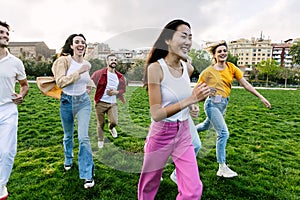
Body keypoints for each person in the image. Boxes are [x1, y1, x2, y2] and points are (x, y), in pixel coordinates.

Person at [138, 19, 210, 200]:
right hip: (162, 133)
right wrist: (190, 99)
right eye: (183, 36)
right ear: (168, 40)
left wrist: (193, 105)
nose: (188, 42)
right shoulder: (156, 68)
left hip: (184, 131)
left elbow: (181, 93)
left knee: (193, 191)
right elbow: (156, 113)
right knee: (149, 185)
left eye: (190, 37)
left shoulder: (188, 67)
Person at [195, 40, 271, 178]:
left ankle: (189, 131)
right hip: (211, 105)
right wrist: (199, 97)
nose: (223, 53)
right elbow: (196, 91)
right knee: (223, 133)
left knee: (206, 125)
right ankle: (222, 167)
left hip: (223, 104)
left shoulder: (231, 67)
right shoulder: (208, 72)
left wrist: (261, 97)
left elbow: (245, 84)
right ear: (214, 55)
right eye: (219, 51)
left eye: (225, 51)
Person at [52, 33, 95, 189]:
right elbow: (61, 82)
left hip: (83, 102)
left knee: (83, 137)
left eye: (83, 42)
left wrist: (90, 85)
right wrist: (80, 71)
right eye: (77, 42)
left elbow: (87, 79)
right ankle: (68, 159)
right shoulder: (63, 61)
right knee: (68, 135)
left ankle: (87, 174)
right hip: (66, 102)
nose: (80, 44)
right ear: (71, 45)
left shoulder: (86, 63)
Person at [0, 20, 29, 200]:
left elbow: (25, 85)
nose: (4, 36)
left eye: (7, 34)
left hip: (8, 110)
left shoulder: (16, 62)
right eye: (1, 32)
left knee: (6, 151)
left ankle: (1, 186)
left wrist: (21, 95)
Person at [91, 54, 126, 149]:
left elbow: (123, 89)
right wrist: (91, 88)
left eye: (115, 60)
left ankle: (111, 128)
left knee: (114, 122)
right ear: (107, 62)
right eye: (111, 60)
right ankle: (100, 140)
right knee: (101, 123)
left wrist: (116, 92)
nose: (113, 61)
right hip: (100, 103)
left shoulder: (120, 76)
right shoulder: (99, 73)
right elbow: (90, 82)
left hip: (112, 103)